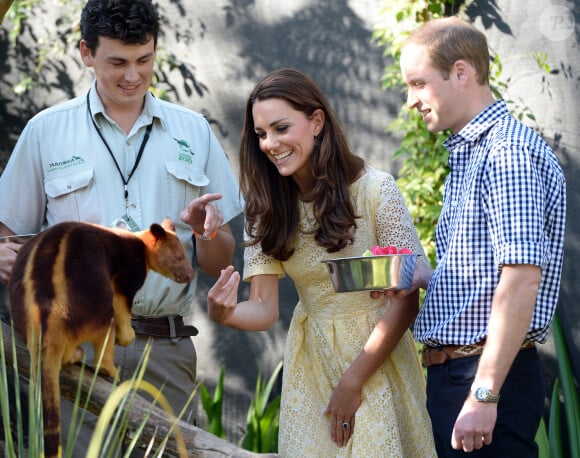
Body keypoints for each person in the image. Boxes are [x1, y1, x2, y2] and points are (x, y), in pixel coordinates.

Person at [0, 0, 243, 453]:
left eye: (144, 60)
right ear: (86, 53)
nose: (133, 75)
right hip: (77, 346)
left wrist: (207, 232)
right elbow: (5, 231)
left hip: (165, 352)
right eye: (117, 62)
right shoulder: (45, 131)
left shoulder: (193, 131)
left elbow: (219, 258)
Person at [206, 68, 436, 457]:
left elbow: (406, 297)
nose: (270, 143)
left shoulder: (377, 190)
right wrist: (223, 314)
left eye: (281, 128)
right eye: (261, 134)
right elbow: (263, 308)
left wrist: (352, 382)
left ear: (316, 122)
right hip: (311, 365)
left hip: (378, 360)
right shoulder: (264, 208)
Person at [397, 16, 566, 457]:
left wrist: (484, 394)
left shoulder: (507, 154)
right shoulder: (472, 154)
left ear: (460, 72)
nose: (410, 100)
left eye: (418, 83)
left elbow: (521, 280)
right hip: (458, 377)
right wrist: (422, 277)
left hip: (485, 379)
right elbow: (484, 280)